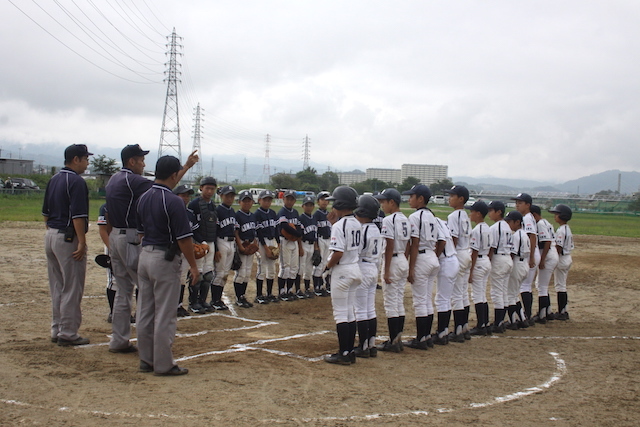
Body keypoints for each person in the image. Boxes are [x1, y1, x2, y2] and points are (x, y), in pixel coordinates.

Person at [106, 144, 196, 353]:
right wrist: (186, 167)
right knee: (150, 295)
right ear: (131, 161)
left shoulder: (114, 179)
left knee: (123, 290)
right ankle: (155, 348)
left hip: (115, 236)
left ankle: (119, 340)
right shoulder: (132, 180)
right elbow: (165, 185)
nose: (143, 164)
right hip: (131, 238)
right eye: (140, 160)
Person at [136, 156, 200, 376]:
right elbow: (184, 239)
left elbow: (141, 231)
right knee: (165, 313)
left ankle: (146, 359)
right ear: (174, 175)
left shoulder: (143, 197)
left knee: (145, 310)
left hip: (145, 255)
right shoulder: (174, 201)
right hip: (163, 259)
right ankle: (163, 364)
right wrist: (193, 265)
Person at [42, 144, 92, 346]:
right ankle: (68, 332)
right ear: (76, 159)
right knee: (72, 286)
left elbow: (45, 213)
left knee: (57, 286)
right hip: (67, 237)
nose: (87, 163)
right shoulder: (76, 182)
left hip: (51, 234)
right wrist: (82, 241)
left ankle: (57, 328)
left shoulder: (54, 179)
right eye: (85, 159)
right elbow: (78, 216)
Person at [323, 186, 362, 365]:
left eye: (334, 203)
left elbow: (338, 253)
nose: (332, 207)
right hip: (354, 268)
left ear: (340, 203)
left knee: (341, 314)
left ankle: (344, 352)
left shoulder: (340, 225)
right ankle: (350, 351)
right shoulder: (357, 222)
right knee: (349, 313)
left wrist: (327, 267)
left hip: (343, 270)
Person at [402, 184, 439, 350]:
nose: (409, 199)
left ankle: (421, 338)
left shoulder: (415, 217)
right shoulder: (432, 215)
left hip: (422, 258)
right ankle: (426, 337)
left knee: (420, 300)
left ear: (421, 199)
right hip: (432, 255)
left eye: (412, 196)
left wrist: (411, 268)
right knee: (427, 299)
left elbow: (414, 243)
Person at [374, 188, 410, 353]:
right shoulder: (405, 219)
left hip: (393, 260)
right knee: (398, 300)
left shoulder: (389, 220)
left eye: (384, 201)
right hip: (402, 258)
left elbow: (388, 246)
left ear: (392, 202)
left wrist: (386, 270)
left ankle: (393, 340)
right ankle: (397, 338)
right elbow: (409, 243)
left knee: (391, 302)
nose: (382, 205)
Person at [353, 195, 383, 358]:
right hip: (373, 268)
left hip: (363, 267)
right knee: (369, 308)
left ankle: (363, 346)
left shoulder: (362, 229)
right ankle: (370, 344)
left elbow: (356, 251)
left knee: (360, 309)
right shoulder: (375, 228)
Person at [188, 177, 220, 313]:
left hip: (211, 241)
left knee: (208, 274)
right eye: (207, 188)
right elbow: (192, 227)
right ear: (201, 188)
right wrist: (200, 242)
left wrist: (216, 248)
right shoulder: (194, 204)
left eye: (212, 188)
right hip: (199, 242)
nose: (210, 191)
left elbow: (215, 227)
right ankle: (193, 302)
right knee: (198, 273)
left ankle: (203, 300)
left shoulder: (212, 205)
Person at [445, 185, 472, 342]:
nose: (450, 198)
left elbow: (453, 238)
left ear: (461, 199)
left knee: (456, 294)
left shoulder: (454, 216)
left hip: (459, 253)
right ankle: (463, 328)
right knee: (462, 293)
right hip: (466, 252)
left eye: (452, 195)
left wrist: (450, 255)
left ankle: (458, 330)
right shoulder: (465, 215)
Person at [513, 193, 538, 327]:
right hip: (529, 253)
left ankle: (526, 315)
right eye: (517, 202)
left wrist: (532, 256)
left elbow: (532, 237)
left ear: (528, 205)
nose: (517, 205)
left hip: (529, 255)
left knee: (525, 286)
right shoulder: (527, 217)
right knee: (525, 286)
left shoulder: (527, 218)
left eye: (520, 202)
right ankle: (527, 314)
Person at [487, 201, 513, 333]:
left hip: (499, 259)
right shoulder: (506, 226)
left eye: (491, 210)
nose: (489, 213)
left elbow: (492, 247)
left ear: (499, 212)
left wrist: (487, 261)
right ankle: (501, 321)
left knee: (497, 291)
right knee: (503, 291)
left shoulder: (495, 228)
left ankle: (498, 323)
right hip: (507, 258)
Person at [211, 185, 239, 310]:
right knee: (219, 272)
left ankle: (219, 299)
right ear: (221, 196)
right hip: (221, 241)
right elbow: (214, 231)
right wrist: (216, 249)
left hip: (230, 243)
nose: (230, 198)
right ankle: (214, 299)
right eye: (227, 195)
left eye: (232, 196)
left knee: (225, 273)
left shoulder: (232, 211)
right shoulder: (218, 210)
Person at [467, 201, 492, 336]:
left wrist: (470, 271)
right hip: (486, 260)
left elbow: (475, 251)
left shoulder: (477, 230)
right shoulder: (487, 227)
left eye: (472, 212)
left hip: (479, 262)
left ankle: (481, 325)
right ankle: (485, 324)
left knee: (477, 295)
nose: (470, 214)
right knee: (482, 294)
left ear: (478, 214)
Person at [433, 215, 460, 344]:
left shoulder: (435, 222)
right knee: (446, 299)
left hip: (446, 261)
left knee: (442, 299)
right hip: (452, 259)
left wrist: (434, 257)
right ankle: (443, 331)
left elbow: (442, 241)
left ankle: (442, 333)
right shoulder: (441, 221)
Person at [531, 205, 559, 323]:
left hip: (548, 255)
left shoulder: (540, 224)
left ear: (534, 215)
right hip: (551, 254)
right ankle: (548, 311)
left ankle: (542, 315)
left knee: (541, 286)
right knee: (542, 285)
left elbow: (547, 242)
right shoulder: (546, 222)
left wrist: (542, 260)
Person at [173, 184, 196, 317]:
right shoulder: (172, 211)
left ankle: (179, 305)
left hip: (186, 249)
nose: (186, 198)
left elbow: (194, 231)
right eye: (183, 195)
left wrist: (201, 242)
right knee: (171, 278)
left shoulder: (190, 214)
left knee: (182, 278)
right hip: (174, 250)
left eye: (187, 195)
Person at [504, 210, 530, 330]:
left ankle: (513, 321)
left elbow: (513, 253)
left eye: (510, 221)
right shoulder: (524, 234)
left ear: (517, 222)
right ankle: (522, 318)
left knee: (510, 295)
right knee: (514, 294)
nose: (508, 224)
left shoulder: (516, 236)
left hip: (517, 265)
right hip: (524, 264)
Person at [277, 190, 303, 300]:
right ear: (283, 199)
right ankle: (281, 292)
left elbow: (299, 227)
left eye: (292, 199)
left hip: (294, 242)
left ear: (294, 201)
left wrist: (298, 235)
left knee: (294, 267)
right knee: (285, 267)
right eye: (287, 198)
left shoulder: (295, 213)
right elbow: (285, 226)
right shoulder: (282, 212)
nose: (289, 201)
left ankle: (289, 290)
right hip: (285, 241)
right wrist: (297, 234)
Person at [254, 190, 279, 303]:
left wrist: (278, 244)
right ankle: (259, 295)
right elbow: (259, 232)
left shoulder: (273, 213)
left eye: (269, 199)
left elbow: (276, 230)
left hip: (271, 241)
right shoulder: (257, 214)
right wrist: (265, 248)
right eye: (265, 199)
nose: (267, 202)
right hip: (262, 242)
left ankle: (269, 293)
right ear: (259, 200)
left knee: (272, 269)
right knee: (262, 269)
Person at [233, 190, 257, 308]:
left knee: (247, 273)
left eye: (249, 201)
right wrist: (240, 246)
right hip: (242, 244)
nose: (247, 203)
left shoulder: (252, 216)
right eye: (244, 201)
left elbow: (255, 232)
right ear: (239, 202)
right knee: (241, 273)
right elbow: (236, 232)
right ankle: (238, 298)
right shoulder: (237, 215)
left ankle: (243, 296)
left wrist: (255, 243)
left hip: (250, 244)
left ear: (252, 202)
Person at [549, 204, 574, 320]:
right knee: (562, 285)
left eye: (557, 214)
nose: (555, 216)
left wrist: (554, 260)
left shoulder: (561, 230)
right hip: (567, 257)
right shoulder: (567, 228)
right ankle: (563, 311)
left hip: (562, 258)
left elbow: (558, 247)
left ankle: (562, 312)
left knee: (560, 286)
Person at [97, 203, 117, 323]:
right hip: (112, 243)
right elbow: (102, 230)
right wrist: (111, 249)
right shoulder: (105, 207)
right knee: (114, 280)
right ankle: (113, 312)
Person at [298, 196, 319, 298]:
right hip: (303, 244)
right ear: (303, 206)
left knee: (309, 268)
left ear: (313, 207)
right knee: (301, 268)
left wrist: (316, 248)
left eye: (311, 205)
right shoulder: (301, 218)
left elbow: (315, 235)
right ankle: (298, 289)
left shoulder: (314, 218)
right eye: (307, 205)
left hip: (311, 245)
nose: (309, 207)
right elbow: (299, 235)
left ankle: (306, 289)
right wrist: (300, 248)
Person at [312, 191, 331, 296]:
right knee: (319, 264)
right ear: (318, 202)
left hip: (328, 240)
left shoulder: (329, 214)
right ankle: (316, 287)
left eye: (326, 200)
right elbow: (315, 230)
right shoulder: (317, 214)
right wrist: (316, 246)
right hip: (320, 240)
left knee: (326, 263)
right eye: (322, 199)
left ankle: (323, 285)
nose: (324, 202)